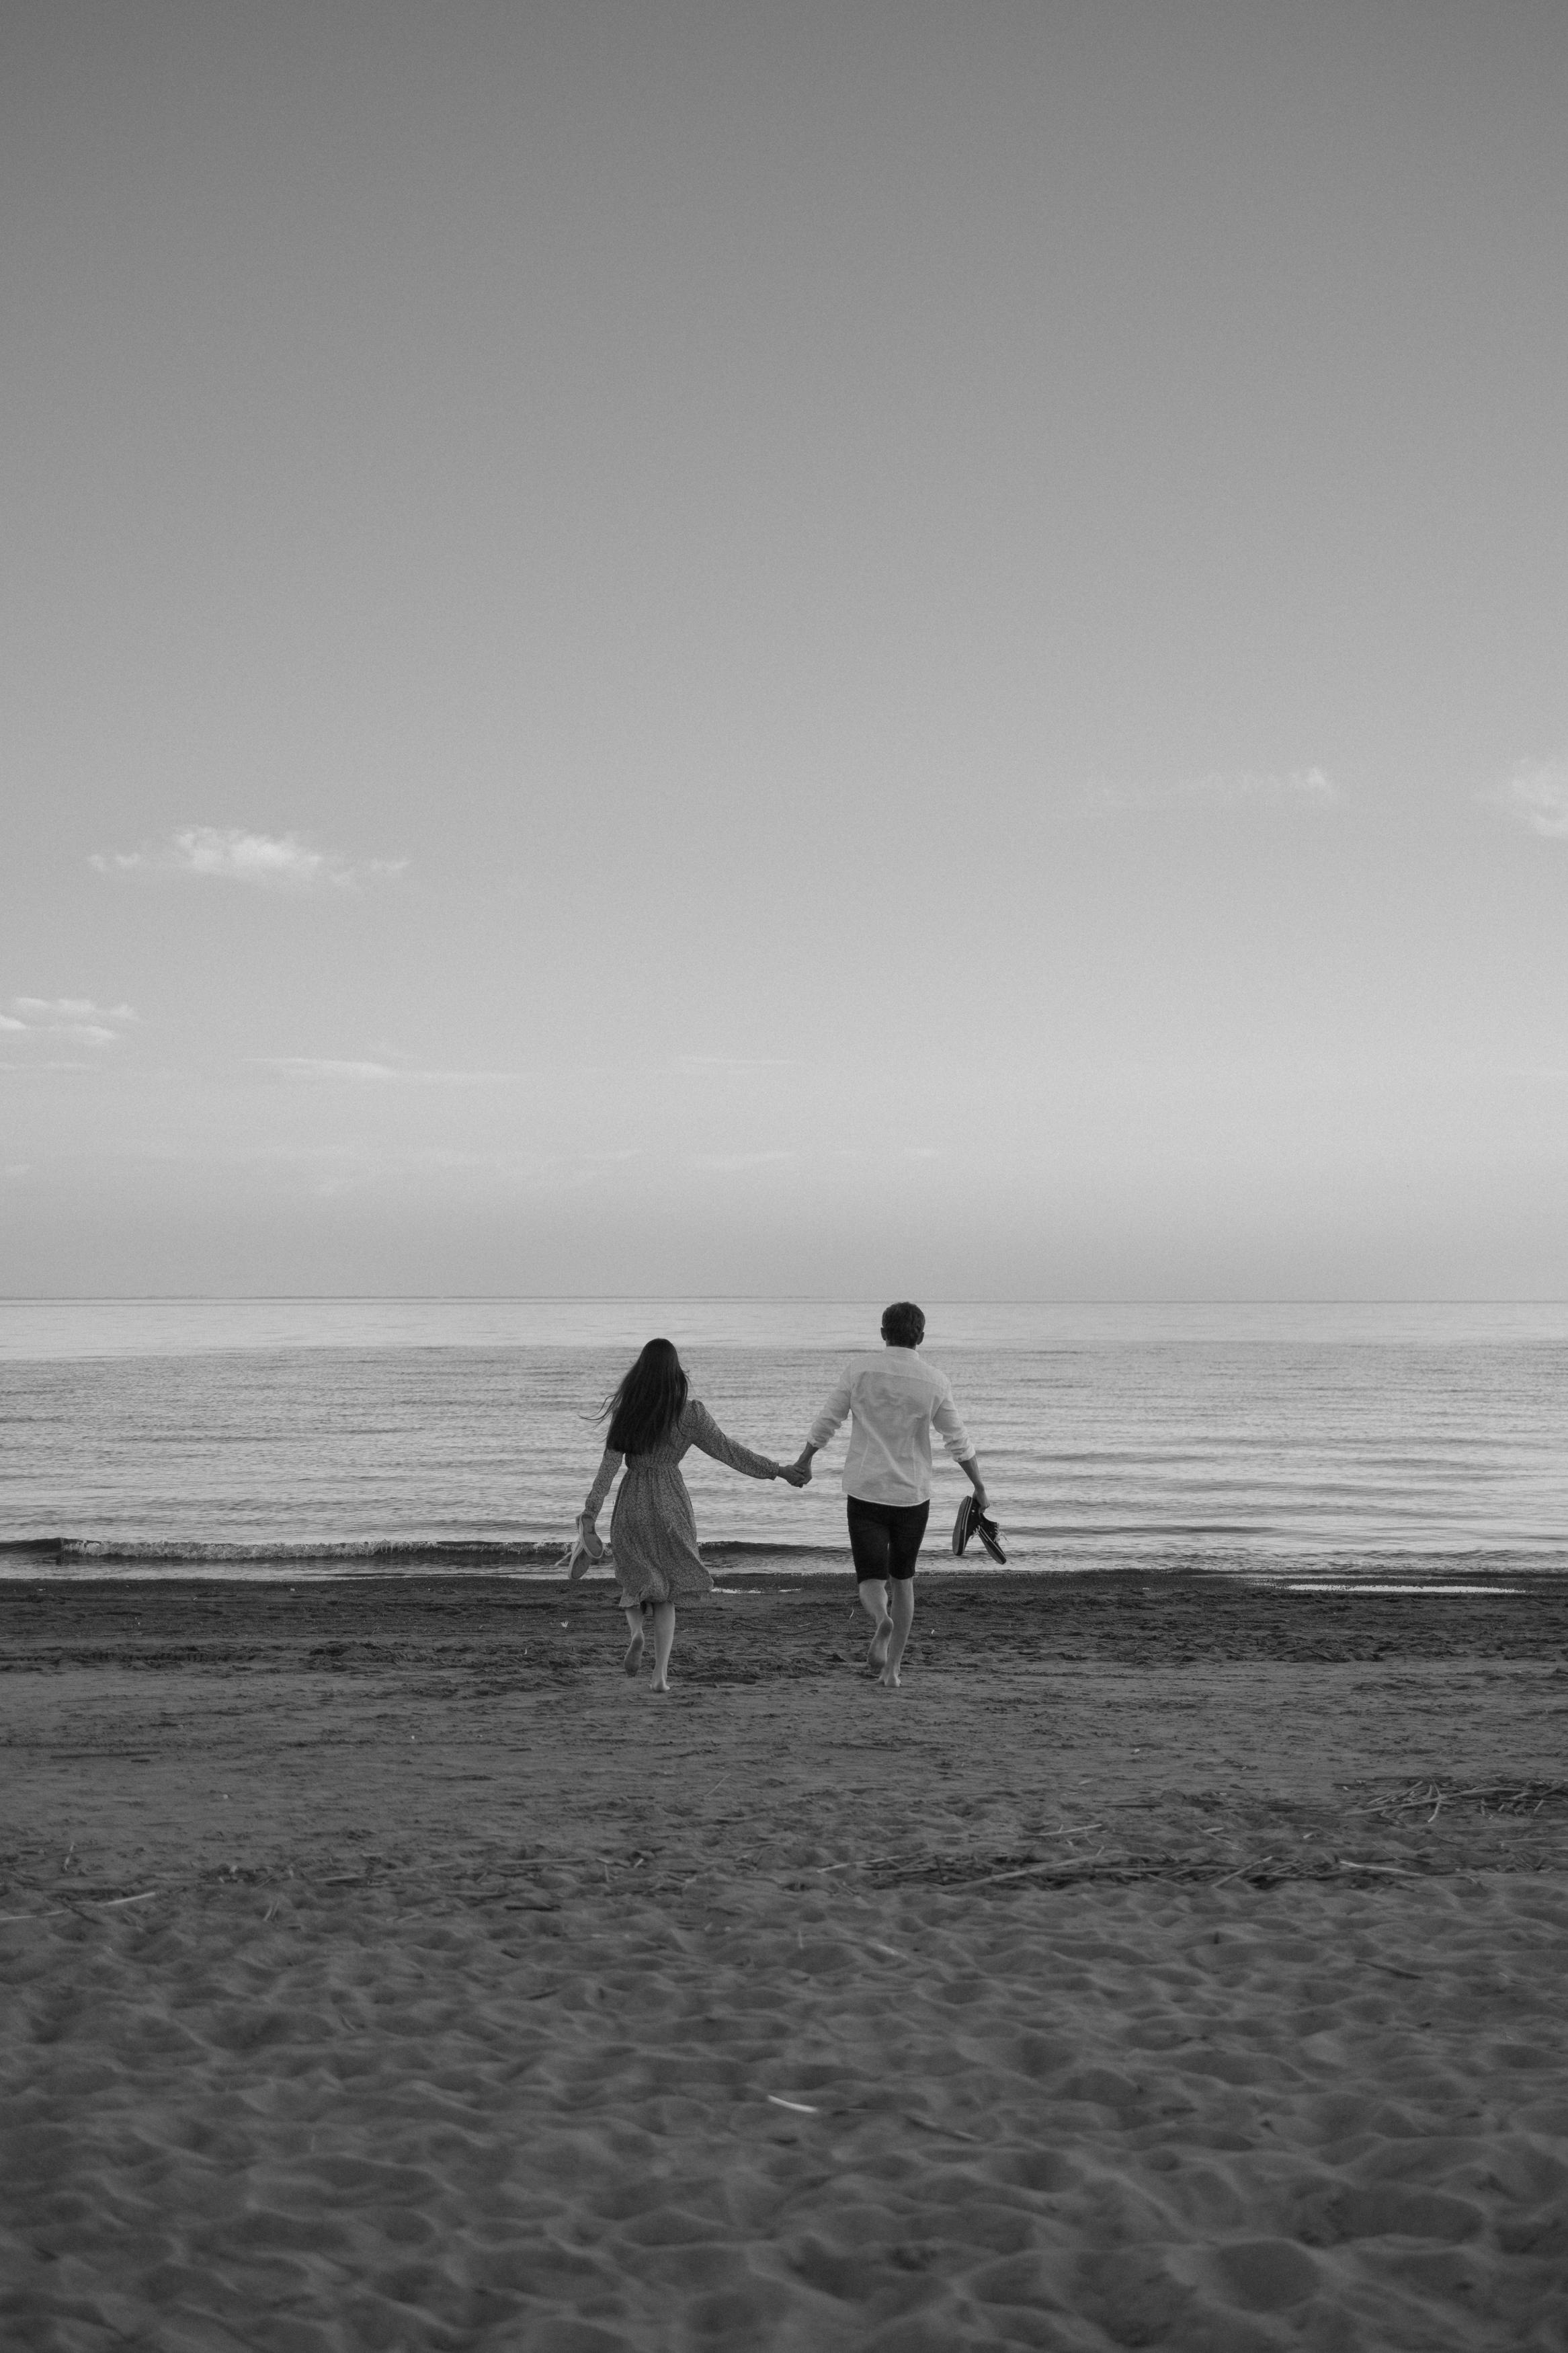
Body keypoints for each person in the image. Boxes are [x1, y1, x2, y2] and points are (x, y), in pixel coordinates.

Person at [576, 1338, 802, 1693]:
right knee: (665, 1593)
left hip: (633, 1499)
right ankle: (661, 1676)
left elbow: (608, 1467)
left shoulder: (629, 1410)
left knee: (633, 1581)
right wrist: (778, 1471)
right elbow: (729, 1452)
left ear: (640, 1370)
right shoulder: (690, 1413)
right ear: (674, 1371)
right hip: (670, 1501)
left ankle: (636, 1634)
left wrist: (591, 1511)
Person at [791, 1301, 986, 1690]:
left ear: (883, 1333)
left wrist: (805, 1461)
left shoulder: (860, 1370)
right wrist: (979, 1487)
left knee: (870, 1578)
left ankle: (881, 1619)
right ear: (922, 1338)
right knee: (903, 1580)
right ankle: (893, 1670)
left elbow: (828, 1419)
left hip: (866, 1490)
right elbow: (957, 1442)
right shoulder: (934, 1380)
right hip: (912, 1495)